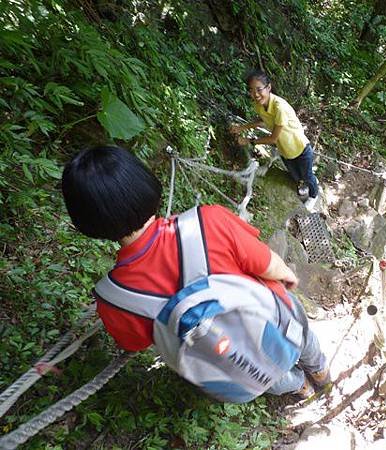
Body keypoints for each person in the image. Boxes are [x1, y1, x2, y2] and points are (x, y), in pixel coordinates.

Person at [61, 145, 329, 401]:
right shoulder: (208, 223)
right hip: (277, 323)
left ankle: (301, 388)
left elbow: (134, 344)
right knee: (304, 340)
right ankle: (320, 372)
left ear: (86, 223)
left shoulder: (114, 299)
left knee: (272, 378)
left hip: (235, 369)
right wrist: (287, 277)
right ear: (142, 182)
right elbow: (267, 263)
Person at [230, 69, 319, 211]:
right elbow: (262, 121)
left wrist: (248, 141)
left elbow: (273, 138)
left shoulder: (279, 107)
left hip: (301, 148)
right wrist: (241, 128)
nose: (255, 94)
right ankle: (308, 180)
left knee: (307, 176)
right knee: (296, 176)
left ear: (269, 87)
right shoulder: (259, 104)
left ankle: (314, 195)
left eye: (259, 89)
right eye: (251, 90)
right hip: (285, 150)